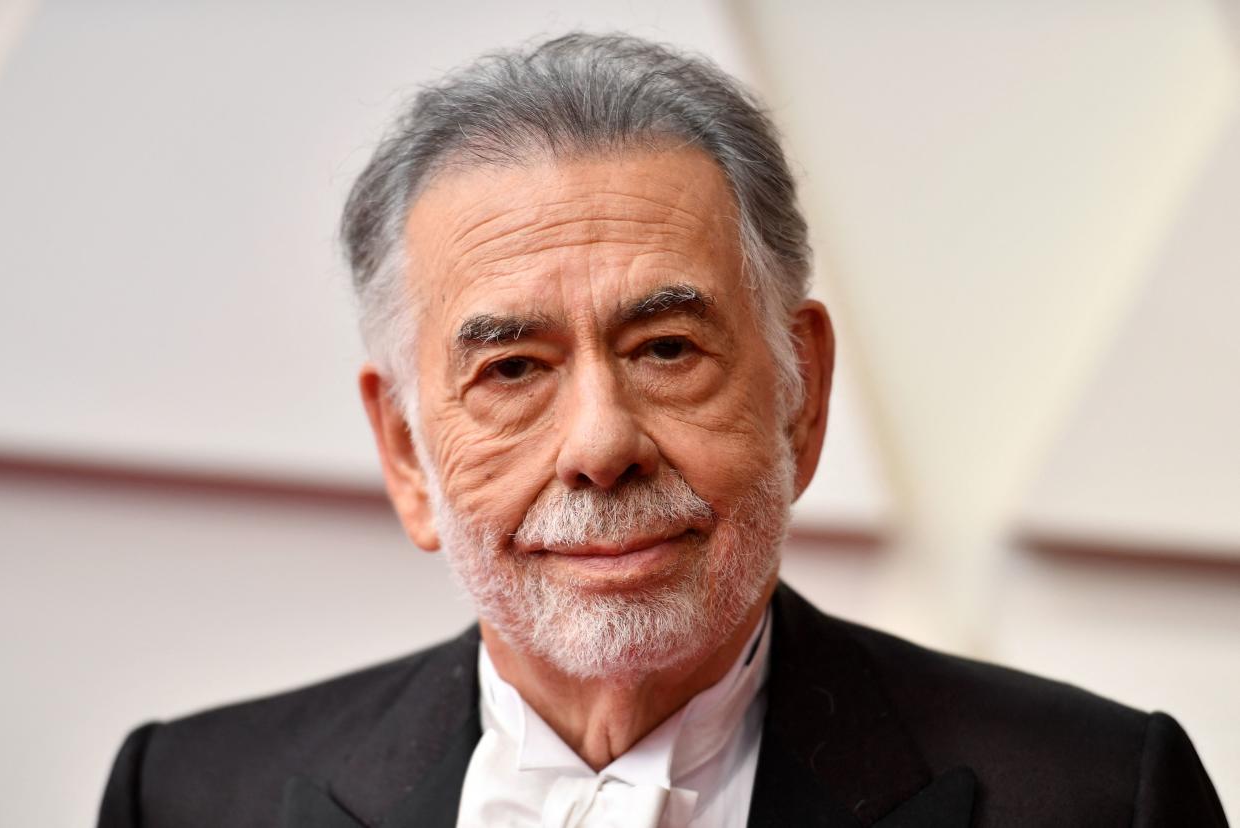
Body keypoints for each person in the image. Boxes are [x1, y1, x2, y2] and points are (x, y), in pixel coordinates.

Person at [97, 33, 1227, 828]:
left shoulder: (1095, 796)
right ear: (404, 451)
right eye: (514, 368)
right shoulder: (191, 794)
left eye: (666, 351)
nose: (600, 444)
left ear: (801, 392)